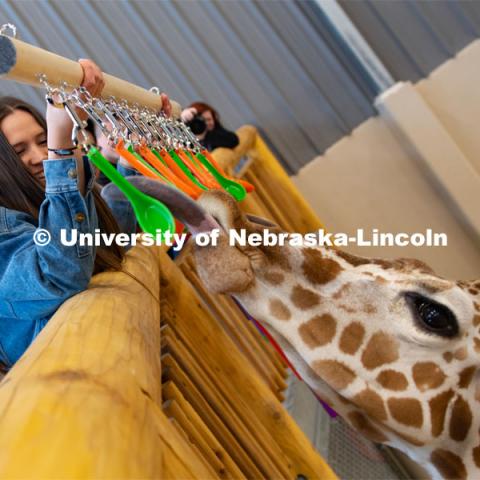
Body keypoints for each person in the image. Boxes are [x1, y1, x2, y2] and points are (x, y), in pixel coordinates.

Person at [0, 60, 171, 373]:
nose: (39, 157)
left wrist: (131, 155)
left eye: (42, 141)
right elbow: (60, 275)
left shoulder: (44, 205)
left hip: (118, 367)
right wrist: (61, 146)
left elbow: (108, 238)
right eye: (19, 151)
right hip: (63, 400)